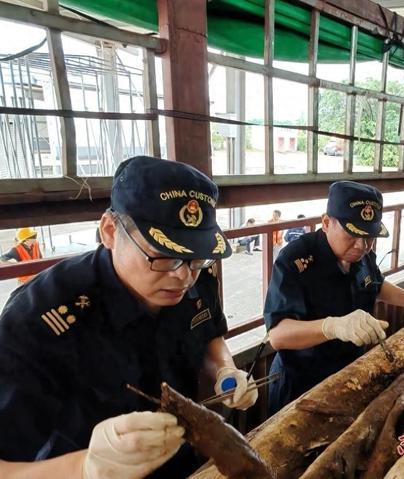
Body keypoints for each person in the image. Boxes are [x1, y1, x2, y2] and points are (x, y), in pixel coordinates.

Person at [0, 156, 258, 478]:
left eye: (196, 258)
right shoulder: (40, 319)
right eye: (164, 256)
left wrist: (225, 370)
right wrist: (86, 467)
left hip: (187, 463)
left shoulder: (196, 278)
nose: (183, 277)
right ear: (109, 231)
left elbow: (207, 335)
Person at [264, 181, 404, 415]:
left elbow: (375, 284)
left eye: (369, 236)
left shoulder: (362, 253)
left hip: (350, 374)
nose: (362, 245)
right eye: (353, 233)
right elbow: (278, 335)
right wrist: (332, 327)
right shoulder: (296, 260)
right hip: (301, 382)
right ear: (327, 222)